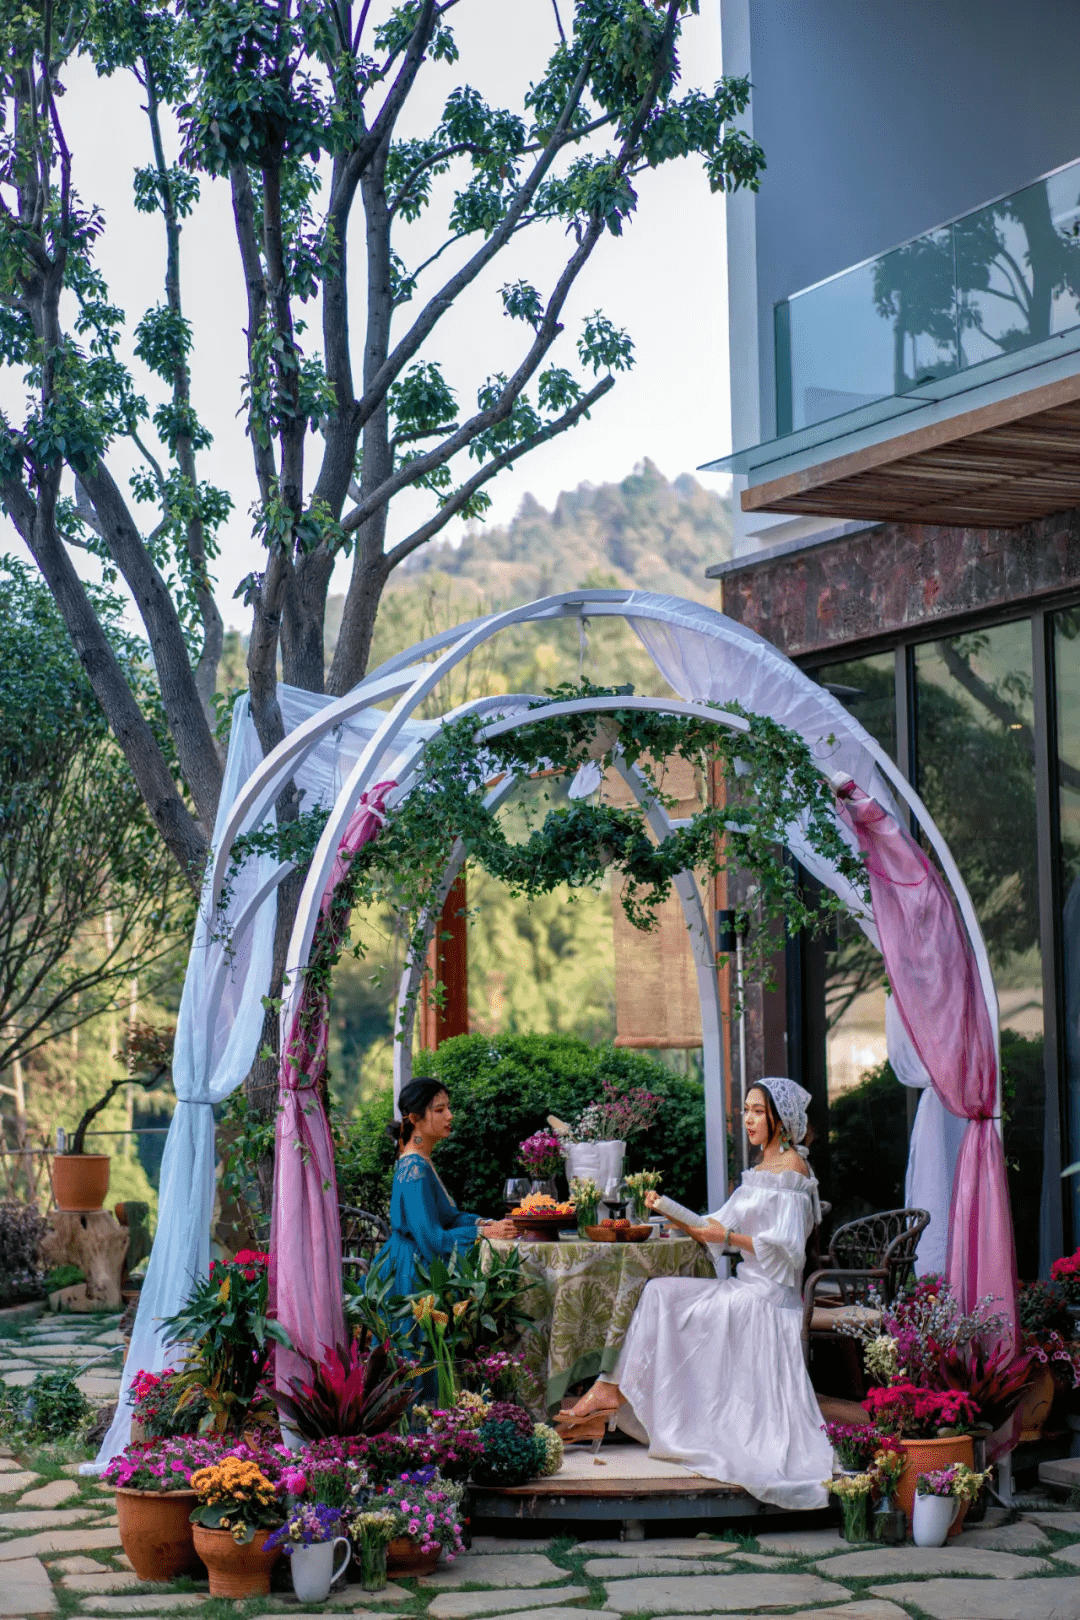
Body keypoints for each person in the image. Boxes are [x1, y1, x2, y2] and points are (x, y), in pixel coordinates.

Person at [556, 1077, 833, 1510]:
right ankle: (611, 1386)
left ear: (782, 1120)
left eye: (758, 1111)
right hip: (742, 1288)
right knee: (659, 1294)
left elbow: (789, 1252)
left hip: (768, 1301)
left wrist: (732, 1236)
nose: (748, 1119)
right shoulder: (757, 1173)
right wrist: (667, 1210)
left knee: (665, 1298)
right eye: (745, 1110)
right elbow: (714, 1229)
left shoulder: (793, 1171)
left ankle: (611, 1389)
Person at [368, 1077, 517, 1296]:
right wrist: (482, 1233)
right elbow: (431, 1238)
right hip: (414, 1277)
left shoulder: (422, 1160)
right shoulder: (414, 1168)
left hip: (420, 1264)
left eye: (448, 1107)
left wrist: (486, 1223)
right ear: (415, 1118)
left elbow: (447, 1218)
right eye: (439, 1110)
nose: (450, 1115)